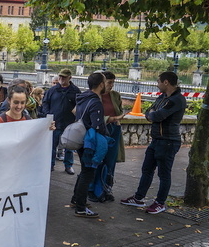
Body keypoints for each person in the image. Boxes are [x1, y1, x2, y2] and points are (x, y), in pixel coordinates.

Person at [0, 85, 54, 247]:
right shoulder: (0, 121)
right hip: (6, 173)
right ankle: (6, 245)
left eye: (22, 103)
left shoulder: (28, 120)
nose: (19, 106)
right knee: (8, 209)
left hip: (24, 172)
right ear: (9, 101)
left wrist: (47, 130)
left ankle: (31, 239)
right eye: (15, 103)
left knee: (27, 207)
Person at [121, 71, 186, 214]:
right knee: (147, 169)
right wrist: (153, 115)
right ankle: (139, 198)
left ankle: (160, 202)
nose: (157, 85)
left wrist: (154, 115)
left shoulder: (177, 100)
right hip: (157, 140)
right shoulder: (163, 97)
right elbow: (149, 112)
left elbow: (158, 115)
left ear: (166, 82)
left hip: (169, 141)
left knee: (164, 174)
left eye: (158, 82)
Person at [70, 72, 108, 218]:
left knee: (84, 171)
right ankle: (80, 207)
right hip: (89, 143)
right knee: (88, 173)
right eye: (105, 82)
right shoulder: (95, 101)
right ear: (100, 84)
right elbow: (97, 125)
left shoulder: (83, 97)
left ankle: (76, 199)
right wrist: (105, 133)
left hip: (80, 139)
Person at [89, 71, 126, 202]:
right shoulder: (94, 96)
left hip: (113, 130)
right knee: (97, 160)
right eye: (109, 82)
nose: (112, 85)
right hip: (100, 131)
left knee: (111, 161)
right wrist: (111, 118)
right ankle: (93, 189)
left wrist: (116, 119)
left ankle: (106, 188)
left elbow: (119, 111)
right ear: (102, 83)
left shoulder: (115, 96)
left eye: (113, 83)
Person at [39, 68, 81, 174]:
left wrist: (76, 115)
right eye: (60, 76)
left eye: (64, 77)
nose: (61, 79)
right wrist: (48, 114)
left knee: (69, 146)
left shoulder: (75, 91)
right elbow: (45, 102)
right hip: (55, 121)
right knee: (52, 145)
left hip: (69, 123)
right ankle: (50, 164)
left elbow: (80, 105)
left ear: (70, 78)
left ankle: (68, 165)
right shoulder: (53, 90)